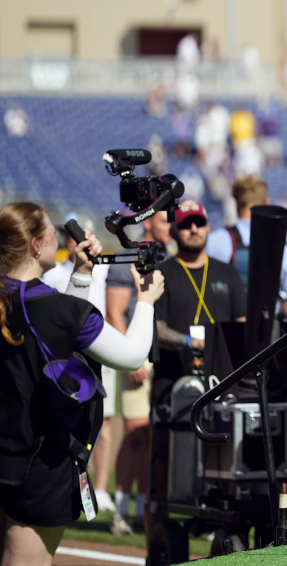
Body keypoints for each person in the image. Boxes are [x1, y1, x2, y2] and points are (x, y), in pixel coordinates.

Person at [0, 202, 163, 566]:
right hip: (41, 464)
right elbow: (132, 355)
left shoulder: (17, 299)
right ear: (35, 245)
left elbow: (57, 337)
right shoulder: (59, 310)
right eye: (51, 232)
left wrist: (82, 275)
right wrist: (147, 300)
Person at [147, 201, 246, 539]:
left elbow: (242, 325)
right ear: (174, 230)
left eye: (199, 222)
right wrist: (190, 342)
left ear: (207, 226)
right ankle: (156, 545)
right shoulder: (163, 272)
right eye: (186, 223)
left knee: (226, 463)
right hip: (171, 384)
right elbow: (155, 328)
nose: (193, 229)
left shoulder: (227, 272)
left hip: (221, 384)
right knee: (163, 467)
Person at [41, 219, 116, 517]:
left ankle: (100, 487)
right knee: (67, 423)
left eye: (82, 234)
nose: (75, 239)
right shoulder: (54, 273)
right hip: (68, 356)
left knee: (103, 423)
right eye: (69, 234)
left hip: (99, 349)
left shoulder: (105, 266)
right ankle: (71, 481)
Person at [104, 211, 173, 535]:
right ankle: (121, 512)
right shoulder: (127, 257)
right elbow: (114, 311)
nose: (171, 226)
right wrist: (131, 356)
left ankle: (144, 509)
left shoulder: (171, 256)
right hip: (136, 353)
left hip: (164, 355)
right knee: (135, 433)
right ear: (147, 222)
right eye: (164, 220)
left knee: (151, 437)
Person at [207, 176, 287, 317]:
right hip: (268, 331)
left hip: (224, 328)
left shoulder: (214, 241)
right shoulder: (284, 249)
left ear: (236, 203)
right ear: (267, 203)